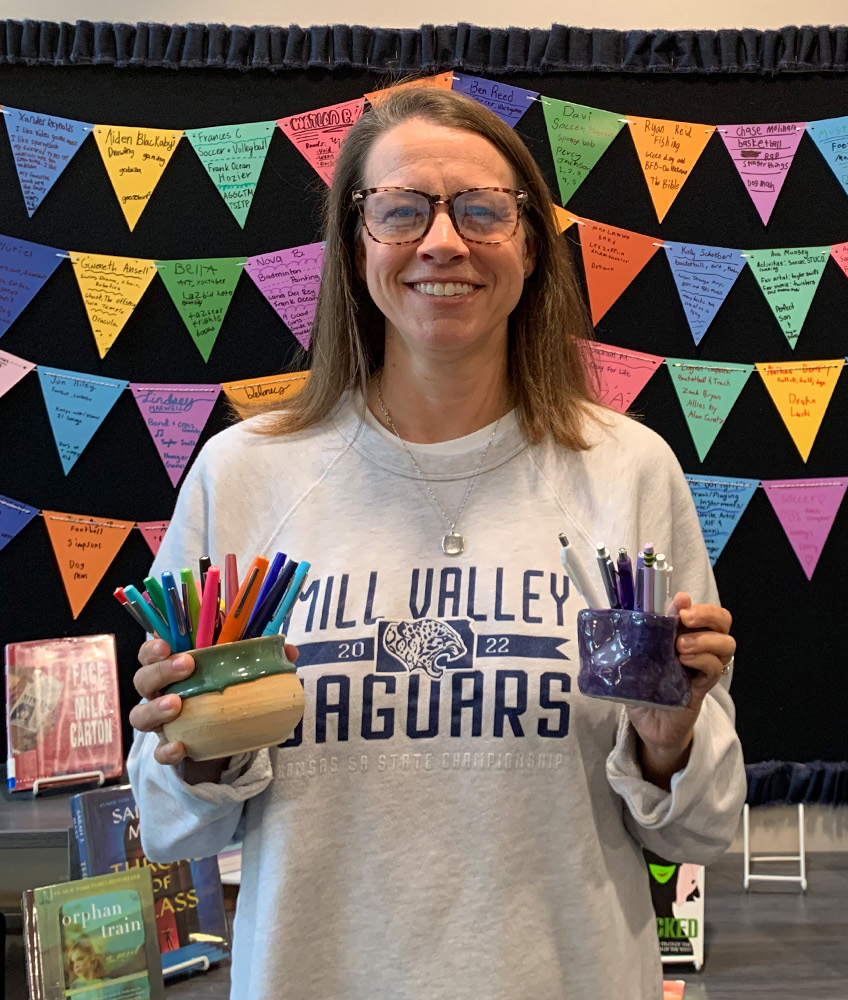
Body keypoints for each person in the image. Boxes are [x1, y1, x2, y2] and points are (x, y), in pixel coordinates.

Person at [126, 86, 745, 1000]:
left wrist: (669, 739)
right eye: (401, 210)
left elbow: (700, 832)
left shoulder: (625, 468)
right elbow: (171, 824)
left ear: (530, 247)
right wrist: (198, 744)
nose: (443, 243)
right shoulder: (244, 476)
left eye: (484, 210)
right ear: (355, 243)